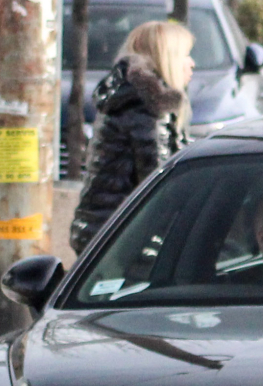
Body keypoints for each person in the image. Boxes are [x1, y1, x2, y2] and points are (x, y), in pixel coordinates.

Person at [69, 19, 192, 252]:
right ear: (168, 59)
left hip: (102, 230)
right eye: (185, 55)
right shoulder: (146, 108)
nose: (192, 64)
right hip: (121, 239)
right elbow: (162, 182)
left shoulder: (127, 97)